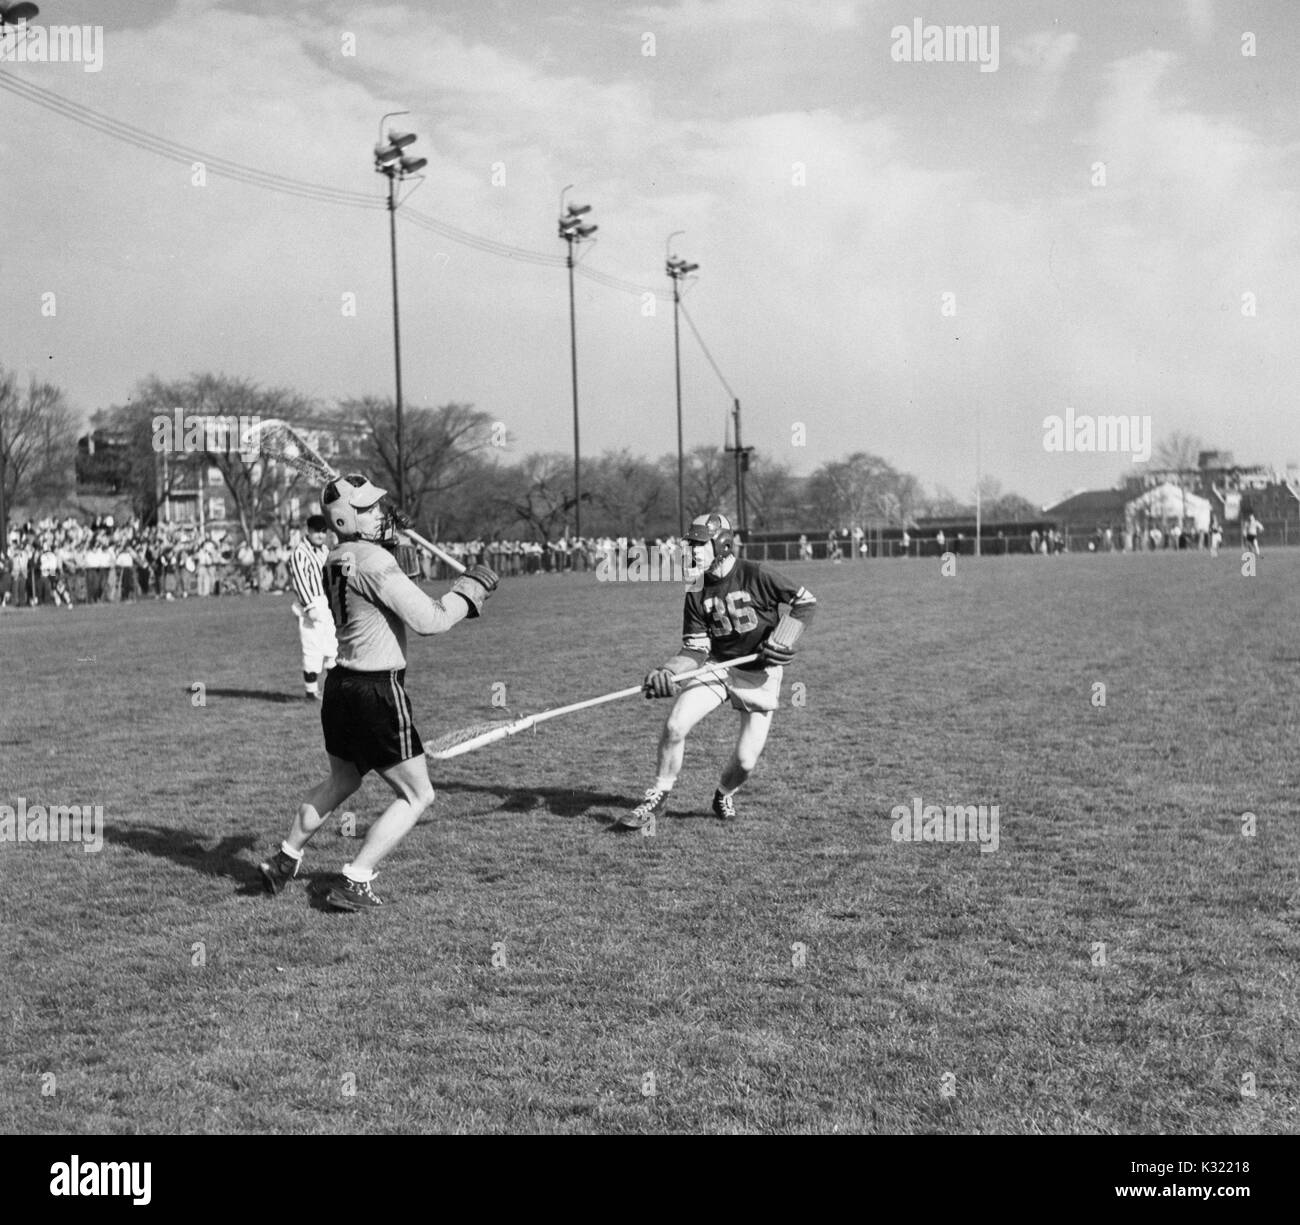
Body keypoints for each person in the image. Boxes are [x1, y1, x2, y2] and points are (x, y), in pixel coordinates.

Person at [258, 474, 498, 911]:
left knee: (343, 779)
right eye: (368, 509)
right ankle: (356, 877)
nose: (380, 512)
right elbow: (430, 619)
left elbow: (382, 581)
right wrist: (470, 592)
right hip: (376, 692)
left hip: (340, 688)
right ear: (347, 518)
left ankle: (284, 858)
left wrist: (392, 544)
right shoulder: (372, 561)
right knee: (417, 795)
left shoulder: (337, 556)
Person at [618, 512, 817, 829]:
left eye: (699, 544)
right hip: (717, 666)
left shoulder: (758, 574)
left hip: (758, 672)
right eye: (691, 544)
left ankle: (724, 793)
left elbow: (805, 601)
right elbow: (695, 648)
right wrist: (668, 671)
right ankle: (656, 798)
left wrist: (783, 639)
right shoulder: (695, 585)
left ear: (723, 544)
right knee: (674, 726)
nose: (692, 551)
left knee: (745, 761)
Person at [289, 514, 338, 700]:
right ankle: (311, 691)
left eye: (323, 531)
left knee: (332, 647)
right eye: (316, 530)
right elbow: (300, 582)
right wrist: (309, 606)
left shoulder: (325, 550)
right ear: (308, 531)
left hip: (327, 602)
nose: (319, 534)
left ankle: (334, 690)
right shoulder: (300, 553)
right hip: (312, 604)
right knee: (313, 648)